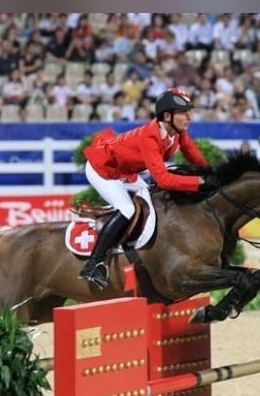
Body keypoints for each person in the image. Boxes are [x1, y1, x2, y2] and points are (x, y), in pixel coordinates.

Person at [78, 88, 213, 289]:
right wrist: (200, 183)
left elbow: (195, 157)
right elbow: (164, 180)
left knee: (154, 201)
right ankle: (93, 264)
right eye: (184, 112)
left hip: (126, 172)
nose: (189, 117)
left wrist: (213, 174)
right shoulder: (150, 136)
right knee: (127, 209)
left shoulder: (178, 133)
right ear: (167, 116)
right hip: (103, 168)